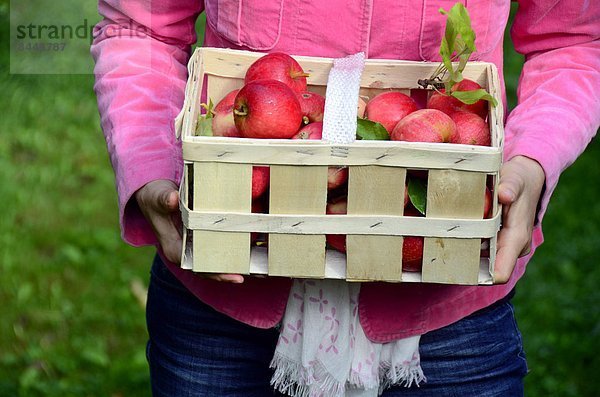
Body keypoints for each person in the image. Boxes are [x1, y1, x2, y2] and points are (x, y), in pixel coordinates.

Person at [91, 1, 600, 395]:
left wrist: (533, 158)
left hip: (449, 303)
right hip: (226, 290)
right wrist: (151, 169)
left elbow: (574, 40)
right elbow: (141, 27)